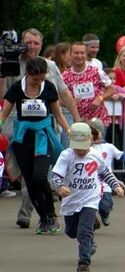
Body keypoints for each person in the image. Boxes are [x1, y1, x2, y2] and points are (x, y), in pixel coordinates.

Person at [0, 28, 80, 229]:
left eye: (36, 43)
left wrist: (73, 125)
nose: (32, 47)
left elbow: (61, 105)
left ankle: (54, 213)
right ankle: (44, 217)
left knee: (40, 176)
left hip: (44, 134)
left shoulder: (50, 69)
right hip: (19, 133)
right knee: (27, 177)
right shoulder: (14, 72)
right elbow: (4, 106)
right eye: (29, 43)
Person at [50, 122, 124, 272]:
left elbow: (106, 173)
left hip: (90, 199)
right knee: (71, 232)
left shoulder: (95, 155)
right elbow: (55, 176)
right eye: (77, 147)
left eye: (83, 146)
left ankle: (83, 265)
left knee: (84, 233)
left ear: (91, 140)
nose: (80, 151)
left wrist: (116, 186)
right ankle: (89, 240)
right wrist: (60, 187)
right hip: (71, 200)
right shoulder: (67, 155)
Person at [87, 119, 125, 230]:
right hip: (90, 183)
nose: (93, 136)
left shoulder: (108, 147)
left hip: (106, 183)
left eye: (96, 132)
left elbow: (120, 154)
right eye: (90, 133)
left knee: (105, 206)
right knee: (89, 205)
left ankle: (105, 215)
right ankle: (90, 222)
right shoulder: (86, 149)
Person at [63, 42, 114, 125]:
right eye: (76, 53)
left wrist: (100, 98)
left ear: (86, 54)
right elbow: (59, 98)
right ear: (70, 54)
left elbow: (112, 89)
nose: (79, 56)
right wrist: (70, 102)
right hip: (77, 122)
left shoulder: (96, 71)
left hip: (98, 120)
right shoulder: (65, 76)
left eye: (82, 53)